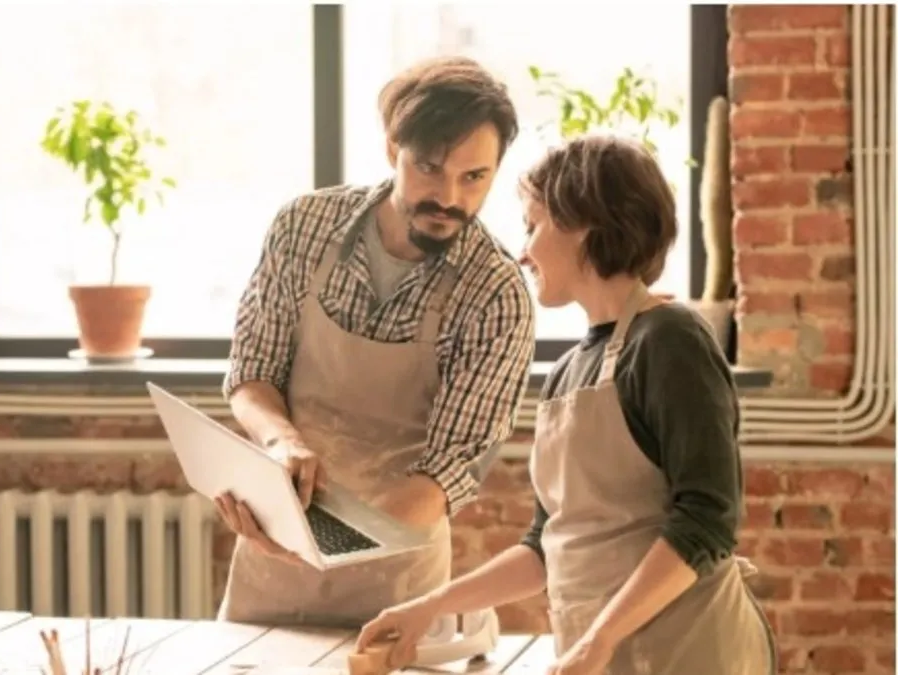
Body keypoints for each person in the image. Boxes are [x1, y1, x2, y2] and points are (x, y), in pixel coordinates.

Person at [355, 134, 778, 674]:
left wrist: (596, 643)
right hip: (602, 655)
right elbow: (543, 547)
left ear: (585, 223)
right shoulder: (565, 372)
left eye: (533, 224)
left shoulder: (670, 340)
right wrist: (428, 608)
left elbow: (707, 522)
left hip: (692, 654)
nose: (523, 249)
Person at [215, 56, 536, 627]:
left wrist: (317, 542)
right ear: (394, 150)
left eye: (474, 178)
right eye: (430, 169)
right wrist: (279, 444)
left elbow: (445, 473)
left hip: (396, 585)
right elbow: (251, 373)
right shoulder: (303, 227)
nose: (450, 198)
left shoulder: (496, 294)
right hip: (271, 567)